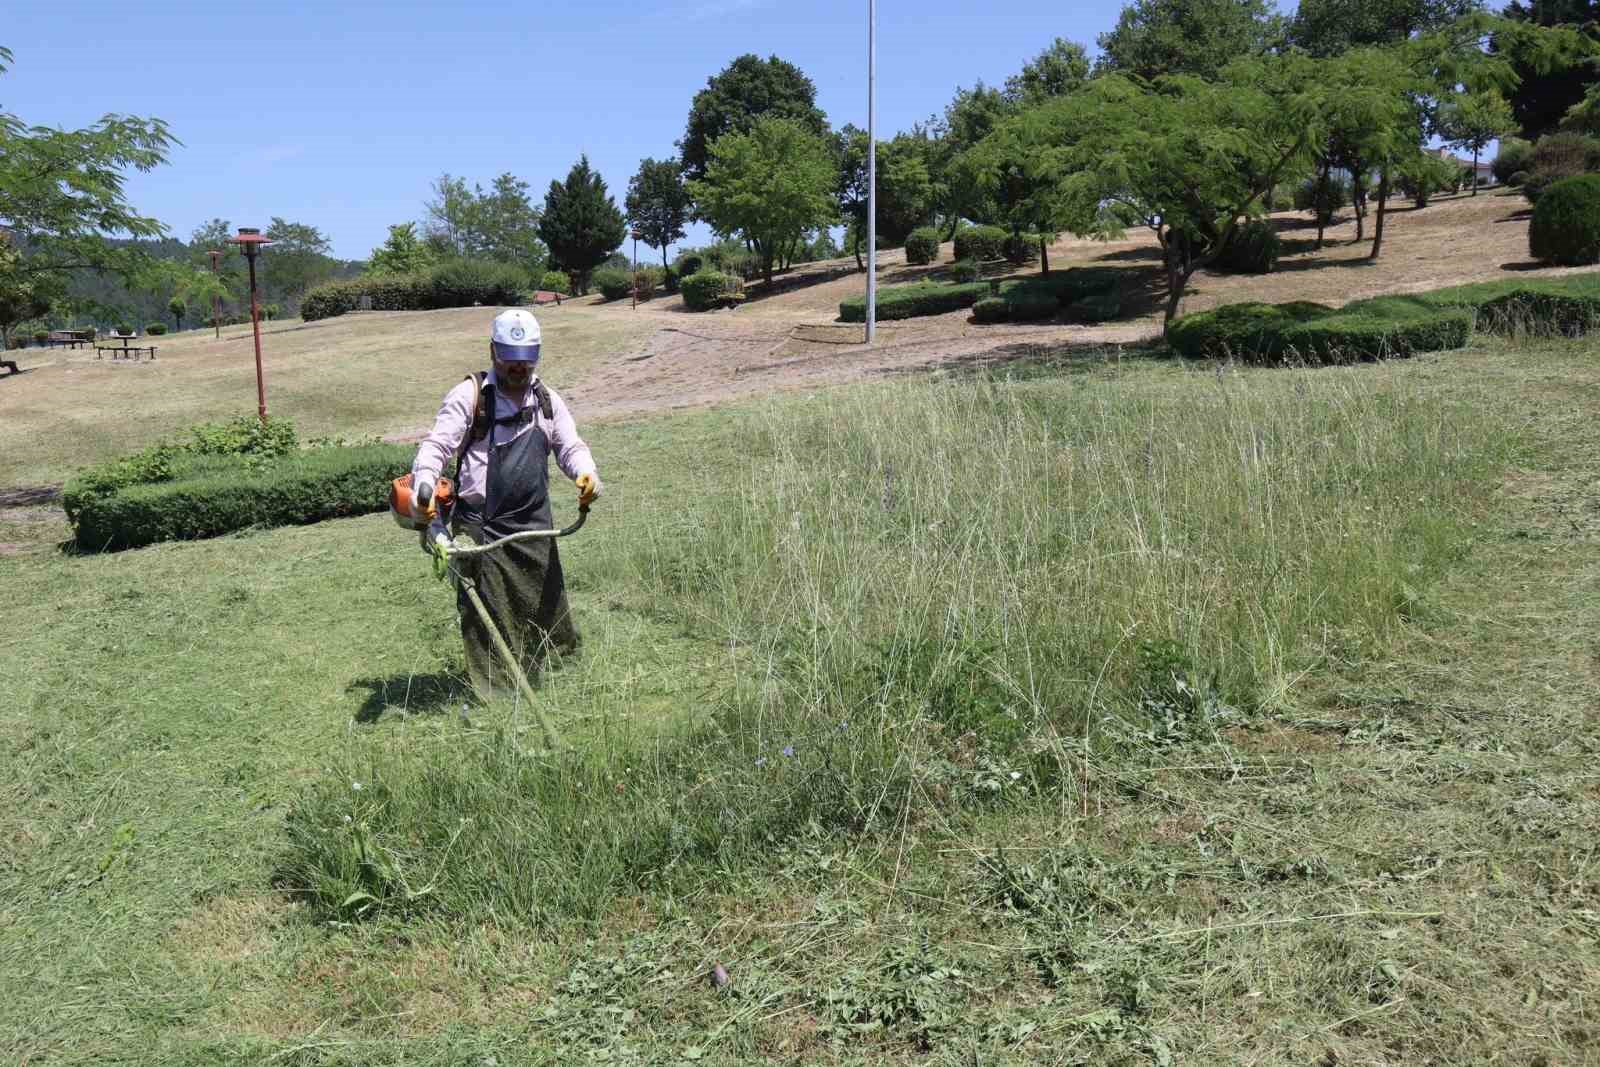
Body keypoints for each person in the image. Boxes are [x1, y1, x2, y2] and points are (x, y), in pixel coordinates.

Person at [410, 308, 602, 700]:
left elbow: (569, 446)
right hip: (482, 524)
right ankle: (496, 692)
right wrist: (424, 484)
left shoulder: (547, 400)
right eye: (510, 359)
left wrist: (586, 473)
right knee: (488, 612)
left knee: (545, 601)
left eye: (526, 359)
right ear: (493, 350)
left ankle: (558, 674)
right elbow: (436, 447)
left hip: (533, 520)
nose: (518, 367)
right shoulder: (470, 397)